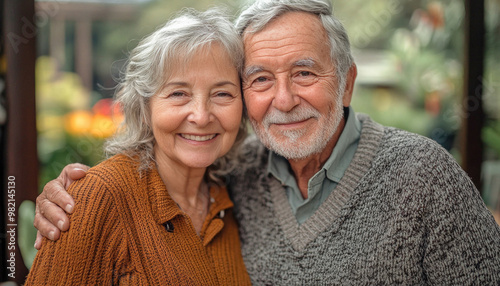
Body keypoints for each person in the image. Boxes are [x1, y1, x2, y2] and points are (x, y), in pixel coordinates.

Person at [34, 0, 500, 284]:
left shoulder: (423, 174)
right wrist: (72, 198)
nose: (284, 99)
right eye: (260, 79)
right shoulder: (239, 171)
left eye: (304, 72)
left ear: (347, 82)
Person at [26, 8, 251, 285]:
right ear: (145, 107)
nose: (202, 116)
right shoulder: (97, 197)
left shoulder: (234, 195)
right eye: (178, 93)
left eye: (222, 94)